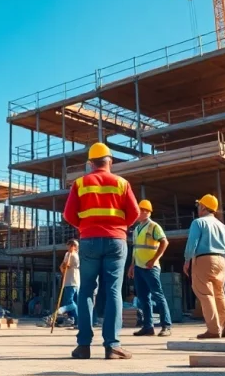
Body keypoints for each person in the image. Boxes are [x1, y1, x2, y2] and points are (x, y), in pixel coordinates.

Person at [62, 142, 140, 360]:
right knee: (113, 290)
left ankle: (83, 346)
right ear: (110, 161)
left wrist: (85, 227)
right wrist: (120, 226)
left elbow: (68, 214)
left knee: (86, 290)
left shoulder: (80, 183)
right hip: (116, 240)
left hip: (88, 241)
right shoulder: (122, 183)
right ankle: (112, 345)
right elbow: (134, 213)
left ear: (90, 163)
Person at [183, 195, 225, 339]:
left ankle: (213, 330)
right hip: (220, 260)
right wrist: (223, 262)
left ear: (203, 207)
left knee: (206, 295)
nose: (198, 208)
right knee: (219, 293)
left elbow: (192, 244)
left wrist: (187, 260)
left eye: (199, 206)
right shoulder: (223, 226)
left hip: (203, 259)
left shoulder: (198, 222)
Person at [129, 200, 172, 337]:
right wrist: (132, 265)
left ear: (147, 211)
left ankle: (166, 325)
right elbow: (135, 249)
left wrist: (154, 260)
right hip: (139, 267)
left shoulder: (154, 226)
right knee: (143, 298)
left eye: (139, 211)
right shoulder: (136, 229)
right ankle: (148, 327)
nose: (137, 214)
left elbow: (164, 242)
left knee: (158, 296)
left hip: (150, 267)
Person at [50, 239, 81, 327]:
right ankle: (75, 320)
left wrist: (66, 265)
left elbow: (72, 265)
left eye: (70, 245)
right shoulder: (67, 254)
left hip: (73, 281)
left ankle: (62, 310)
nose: (68, 247)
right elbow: (63, 266)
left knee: (71, 302)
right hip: (67, 281)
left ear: (74, 246)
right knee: (71, 302)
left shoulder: (75, 256)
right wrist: (63, 266)